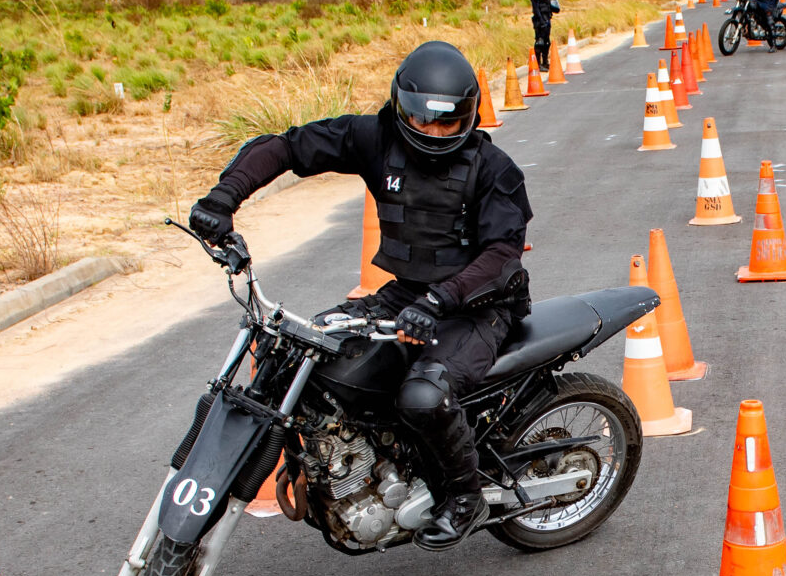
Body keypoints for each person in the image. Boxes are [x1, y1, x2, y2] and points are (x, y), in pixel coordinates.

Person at [188, 41, 531, 549]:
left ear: (469, 116)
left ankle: (465, 493)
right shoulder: (377, 138)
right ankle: (360, 464)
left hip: (477, 307)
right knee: (305, 353)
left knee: (424, 393)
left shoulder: (493, 168)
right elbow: (286, 147)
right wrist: (224, 196)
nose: (436, 133)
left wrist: (439, 303)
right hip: (407, 296)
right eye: (424, 121)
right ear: (402, 109)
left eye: (450, 123)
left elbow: (503, 254)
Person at [520, 0, 559, 76]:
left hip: (547, 19)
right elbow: (536, 8)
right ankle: (538, 63)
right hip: (539, 20)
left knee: (547, 42)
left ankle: (545, 62)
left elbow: (548, 5)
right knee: (540, 42)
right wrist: (541, 20)